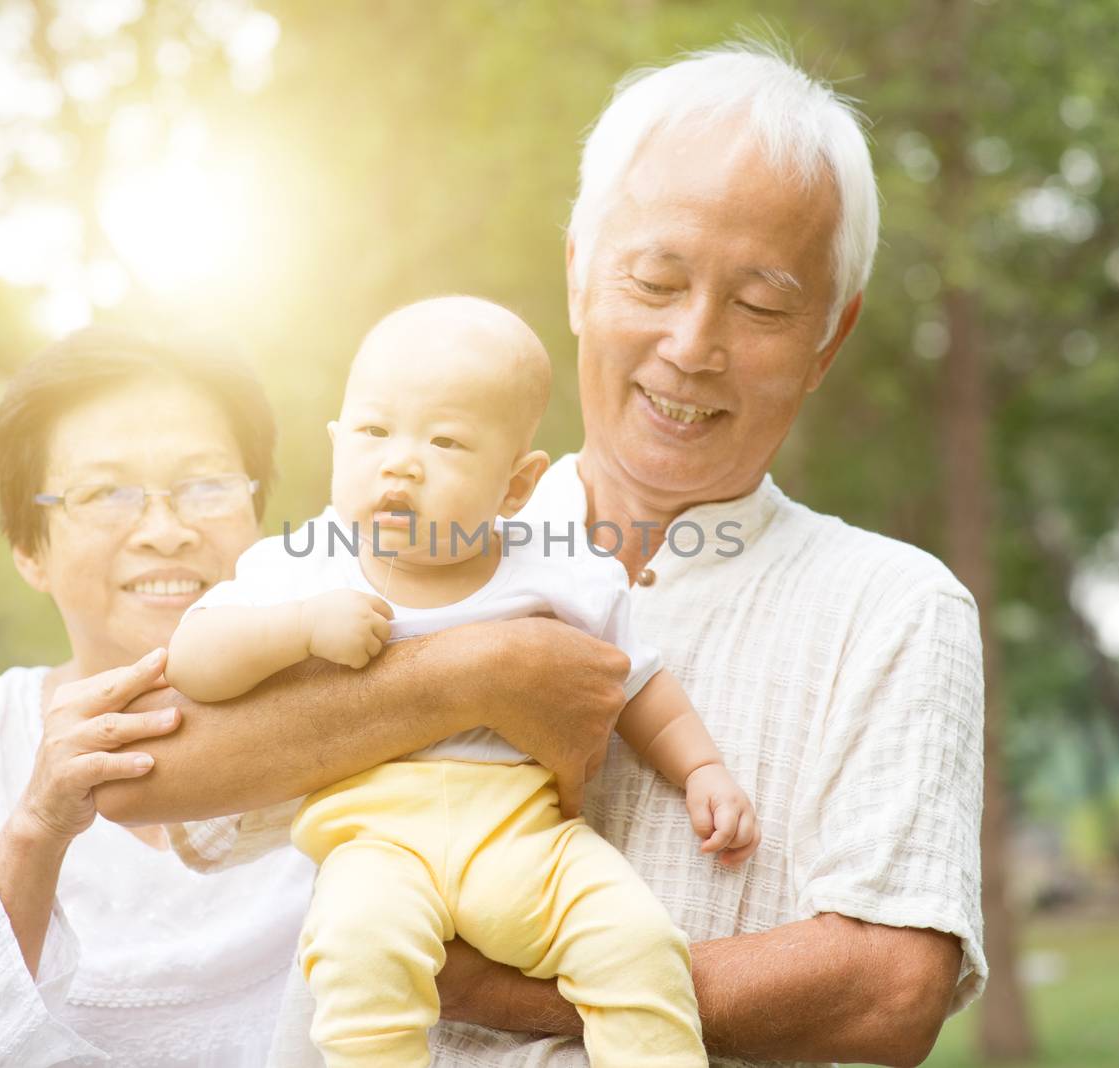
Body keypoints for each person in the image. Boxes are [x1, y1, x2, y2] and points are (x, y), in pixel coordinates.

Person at [100, 41, 986, 1068]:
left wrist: (520, 992)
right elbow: (151, 779)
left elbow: (890, 992)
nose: (693, 344)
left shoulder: (893, 606)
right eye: (654, 278)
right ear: (577, 276)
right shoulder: (384, 546)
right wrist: (473, 672)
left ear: (828, 340)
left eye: (761, 306)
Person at [0, 327, 633, 1066]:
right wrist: (38, 828)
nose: (166, 530)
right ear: (26, 549)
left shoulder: (387, 691)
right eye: (106, 494)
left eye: (205, 485)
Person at [163, 296, 758, 1066]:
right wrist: (300, 627)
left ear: (516, 486)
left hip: (524, 837)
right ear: (339, 445)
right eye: (374, 432)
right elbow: (194, 659)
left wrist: (701, 769)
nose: (400, 461)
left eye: (445, 441)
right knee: (356, 955)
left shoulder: (557, 565)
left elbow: (635, 682)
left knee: (637, 943)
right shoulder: (309, 561)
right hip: (371, 839)